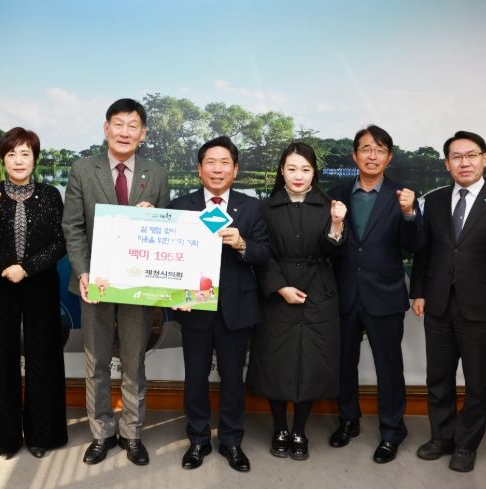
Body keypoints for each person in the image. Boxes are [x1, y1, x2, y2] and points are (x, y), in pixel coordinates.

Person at [410, 131, 486, 472]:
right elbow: (424, 252)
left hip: (483, 306)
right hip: (438, 304)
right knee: (438, 378)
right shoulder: (434, 201)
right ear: (447, 163)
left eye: (471, 155)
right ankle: (441, 437)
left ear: (485, 159)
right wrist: (418, 291)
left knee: (477, 383)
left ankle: (466, 444)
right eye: (456, 157)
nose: (464, 162)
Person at [61, 98, 170, 466]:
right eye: (118, 124)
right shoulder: (82, 169)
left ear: (143, 133)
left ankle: (132, 433)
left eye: (132, 125)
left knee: (134, 361)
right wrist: (83, 272)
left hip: (137, 286)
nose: (125, 132)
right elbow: (72, 227)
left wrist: (155, 216)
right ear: (106, 128)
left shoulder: (156, 173)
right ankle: (102, 432)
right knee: (96, 362)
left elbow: (166, 230)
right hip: (96, 283)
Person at [0, 127, 68, 458]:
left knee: (43, 357)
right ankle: (4, 438)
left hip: (40, 284)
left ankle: (42, 436)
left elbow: (60, 243)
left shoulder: (50, 195)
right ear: (2, 159)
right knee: (0, 359)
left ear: (35, 159)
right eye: (11, 154)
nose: (18, 160)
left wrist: (28, 267)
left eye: (25, 153)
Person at [169, 136, 270, 472]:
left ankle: (231, 441)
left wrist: (242, 243)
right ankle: (198, 440)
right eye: (210, 162)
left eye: (224, 162)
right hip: (194, 307)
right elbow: (170, 258)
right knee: (195, 378)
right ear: (199, 169)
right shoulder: (181, 206)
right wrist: (176, 295)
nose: (217, 169)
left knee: (232, 379)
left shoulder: (252, 207)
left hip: (236, 307)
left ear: (235, 169)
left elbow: (264, 254)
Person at [246, 142, 347, 461]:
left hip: (319, 292)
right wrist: (279, 287)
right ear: (282, 171)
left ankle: (300, 429)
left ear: (314, 172)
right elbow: (261, 254)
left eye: (305, 169)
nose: (298, 175)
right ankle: (280, 428)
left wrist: (337, 224)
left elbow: (337, 252)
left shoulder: (330, 205)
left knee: (312, 362)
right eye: (292, 169)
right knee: (277, 362)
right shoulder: (265, 207)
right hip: (278, 294)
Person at [328, 125, 422, 463]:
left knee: (389, 366)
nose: (372, 155)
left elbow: (413, 246)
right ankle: (348, 420)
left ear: (389, 157)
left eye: (379, 150)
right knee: (344, 364)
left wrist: (409, 214)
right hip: (344, 292)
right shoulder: (336, 194)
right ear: (355, 155)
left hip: (384, 294)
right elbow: (330, 246)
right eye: (366, 149)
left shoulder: (402, 196)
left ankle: (392, 431)